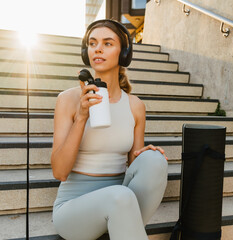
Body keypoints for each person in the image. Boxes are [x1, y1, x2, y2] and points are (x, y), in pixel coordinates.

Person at [51, 19, 168, 240]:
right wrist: (82, 117)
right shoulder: (67, 100)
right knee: (120, 197)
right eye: (93, 43)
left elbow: (135, 166)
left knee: (155, 159)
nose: (98, 48)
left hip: (121, 198)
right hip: (74, 208)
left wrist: (144, 157)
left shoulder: (135, 106)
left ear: (123, 54)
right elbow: (59, 171)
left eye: (107, 43)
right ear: (86, 52)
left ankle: (122, 226)